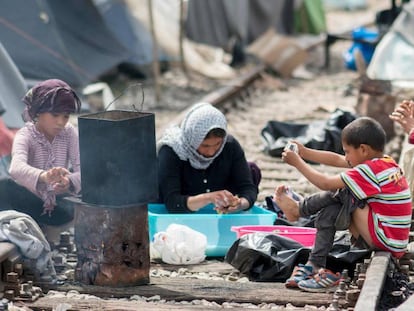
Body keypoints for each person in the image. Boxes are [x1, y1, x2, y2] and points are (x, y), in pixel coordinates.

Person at [274, 117, 412, 293]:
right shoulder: (384, 163)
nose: (345, 157)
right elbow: (338, 160)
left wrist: (297, 163)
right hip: (390, 238)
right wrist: (305, 152)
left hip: (384, 238)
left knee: (344, 191)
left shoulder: (368, 171)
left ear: (363, 149)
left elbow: (325, 183)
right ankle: (315, 263)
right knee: (332, 207)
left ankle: (299, 209)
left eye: (347, 151)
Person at [0, 79, 82, 227]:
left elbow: (82, 170)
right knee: (4, 185)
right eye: (55, 115)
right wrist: (44, 176)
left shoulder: (69, 133)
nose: (61, 122)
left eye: (65, 116)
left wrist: (68, 182)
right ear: (38, 112)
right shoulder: (25, 135)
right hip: (30, 204)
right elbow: (15, 168)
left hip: (61, 207)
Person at [157, 102, 260, 213]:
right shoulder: (172, 151)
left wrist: (240, 204)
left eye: (217, 144)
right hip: (181, 214)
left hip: (220, 213)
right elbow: (172, 202)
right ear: (193, 139)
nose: (211, 152)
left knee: (252, 169)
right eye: (205, 145)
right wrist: (209, 198)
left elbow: (248, 188)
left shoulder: (229, 146)